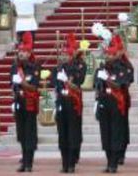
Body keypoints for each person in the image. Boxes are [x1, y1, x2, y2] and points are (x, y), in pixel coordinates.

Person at [95, 34, 132, 173]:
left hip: (117, 105)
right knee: (105, 133)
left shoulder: (121, 68)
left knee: (115, 132)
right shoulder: (101, 69)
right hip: (104, 103)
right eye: (107, 55)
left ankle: (114, 163)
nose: (108, 57)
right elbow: (97, 86)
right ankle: (108, 160)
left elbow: (120, 85)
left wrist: (108, 79)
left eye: (111, 55)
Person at [51, 33, 86, 173]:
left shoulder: (79, 66)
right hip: (61, 101)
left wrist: (70, 81)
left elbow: (79, 81)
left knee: (73, 132)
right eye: (63, 55)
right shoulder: (58, 68)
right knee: (62, 133)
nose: (64, 57)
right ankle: (64, 162)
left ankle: (71, 162)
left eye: (67, 54)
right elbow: (54, 83)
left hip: (73, 102)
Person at [11, 32, 41, 172]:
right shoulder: (15, 67)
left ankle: (29, 162)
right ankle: (24, 160)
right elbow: (12, 85)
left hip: (30, 103)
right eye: (20, 51)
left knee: (29, 133)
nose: (21, 54)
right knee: (21, 133)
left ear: (29, 53)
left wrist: (22, 83)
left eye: (24, 52)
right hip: (19, 101)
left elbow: (34, 87)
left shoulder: (34, 67)